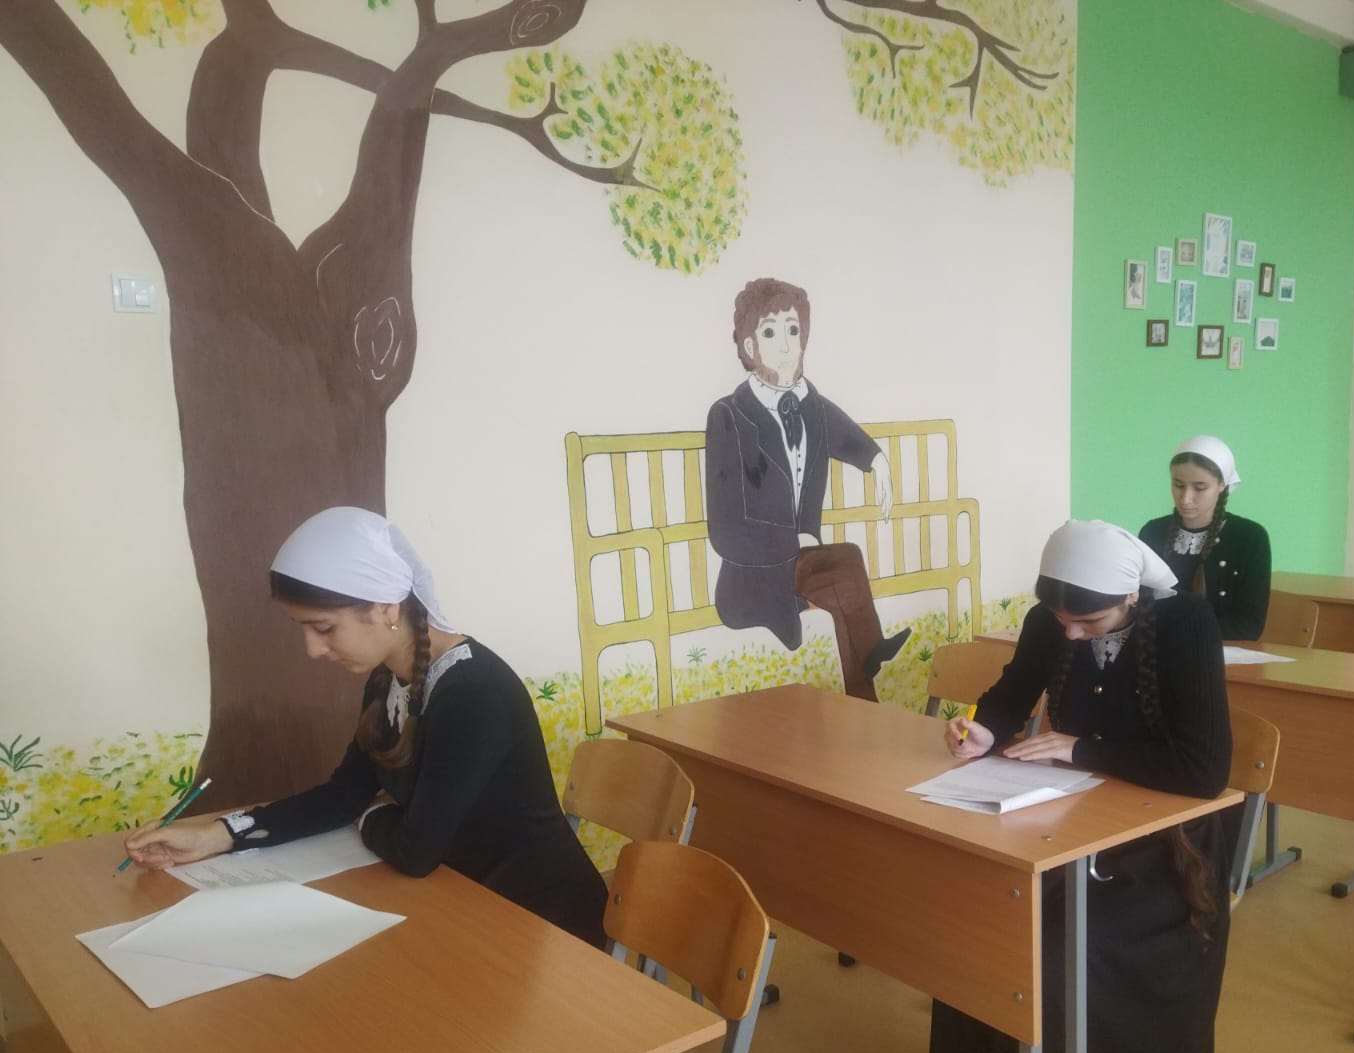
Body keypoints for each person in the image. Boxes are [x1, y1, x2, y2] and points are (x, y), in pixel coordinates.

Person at [123, 507, 608, 948]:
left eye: (324, 628)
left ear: (385, 608)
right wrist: (218, 834)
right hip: (462, 900)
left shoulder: (473, 692)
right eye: (302, 628)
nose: (313, 649)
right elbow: (342, 795)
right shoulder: (386, 679)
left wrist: (369, 811)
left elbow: (415, 852)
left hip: (542, 923)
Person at [925, 520, 1233, 1053]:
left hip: (1169, 839)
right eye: (1061, 620)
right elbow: (1013, 691)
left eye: (1087, 622)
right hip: (1069, 815)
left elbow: (1204, 770)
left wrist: (1079, 750)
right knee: (985, 910)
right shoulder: (1053, 620)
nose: (1069, 634)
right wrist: (983, 730)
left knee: (1078, 943)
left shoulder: (1186, 626)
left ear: (1130, 597)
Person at [705, 277, 909, 701]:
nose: (785, 345)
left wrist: (878, 462)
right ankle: (870, 659)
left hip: (805, 568)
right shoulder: (729, 416)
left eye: (793, 330)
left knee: (845, 565)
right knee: (843, 567)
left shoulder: (810, 406)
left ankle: (866, 682)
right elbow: (725, 531)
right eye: (770, 332)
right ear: (749, 346)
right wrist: (790, 541)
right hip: (754, 577)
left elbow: (849, 437)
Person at [1138, 435, 1270, 641]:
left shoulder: (1249, 537)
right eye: (1178, 485)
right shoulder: (1152, 531)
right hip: (1155, 650)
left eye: (1200, 487)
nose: (1186, 499)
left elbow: (1249, 624)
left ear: (1222, 485)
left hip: (1218, 650)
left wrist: (1180, 634)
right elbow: (1138, 605)